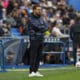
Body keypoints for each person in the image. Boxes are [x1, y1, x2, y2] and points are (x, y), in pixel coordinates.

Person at [28, 4, 48, 77]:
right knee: (33, 55)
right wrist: (42, 28)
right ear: (34, 10)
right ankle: (31, 72)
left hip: (41, 38)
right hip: (34, 38)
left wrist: (42, 28)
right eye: (38, 9)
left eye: (40, 9)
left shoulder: (41, 18)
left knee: (39, 56)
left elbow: (46, 26)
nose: (40, 11)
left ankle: (36, 71)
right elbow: (35, 26)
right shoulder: (30, 18)